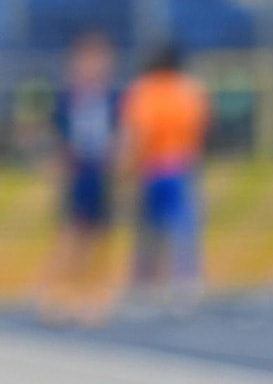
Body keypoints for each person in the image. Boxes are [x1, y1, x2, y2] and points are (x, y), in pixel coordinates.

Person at [38, 31, 121, 326]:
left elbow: (120, 134)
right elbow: (58, 135)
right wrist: (59, 160)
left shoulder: (112, 97)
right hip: (78, 172)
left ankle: (93, 300)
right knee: (71, 238)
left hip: (101, 172)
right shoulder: (68, 97)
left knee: (99, 241)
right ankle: (56, 296)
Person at [121, 45, 210, 311]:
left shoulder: (145, 90)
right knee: (182, 229)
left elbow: (140, 133)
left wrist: (128, 167)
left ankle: (145, 285)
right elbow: (200, 129)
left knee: (149, 230)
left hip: (153, 168)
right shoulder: (189, 90)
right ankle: (185, 284)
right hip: (180, 166)